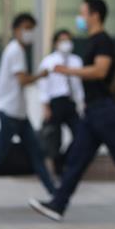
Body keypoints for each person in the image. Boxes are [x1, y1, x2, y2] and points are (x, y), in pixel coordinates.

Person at [28, 0, 115, 221]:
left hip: (104, 112)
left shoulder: (103, 41)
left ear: (95, 15)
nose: (81, 18)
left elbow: (100, 71)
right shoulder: (93, 41)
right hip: (93, 112)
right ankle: (58, 205)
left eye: (83, 13)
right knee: (76, 159)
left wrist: (67, 71)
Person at [0, 13, 56, 208]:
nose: (29, 32)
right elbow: (22, 79)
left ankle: (55, 195)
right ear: (16, 30)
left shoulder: (16, 50)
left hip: (19, 114)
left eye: (32, 28)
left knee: (36, 154)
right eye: (26, 28)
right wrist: (41, 75)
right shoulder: (15, 51)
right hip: (10, 113)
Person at [38, 29, 85, 176]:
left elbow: (78, 85)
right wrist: (45, 106)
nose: (66, 43)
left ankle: (63, 160)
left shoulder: (76, 61)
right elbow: (43, 85)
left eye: (68, 40)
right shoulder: (49, 61)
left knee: (81, 134)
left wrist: (81, 102)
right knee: (54, 138)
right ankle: (58, 170)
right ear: (56, 43)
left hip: (71, 103)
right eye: (62, 40)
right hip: (55, 103)